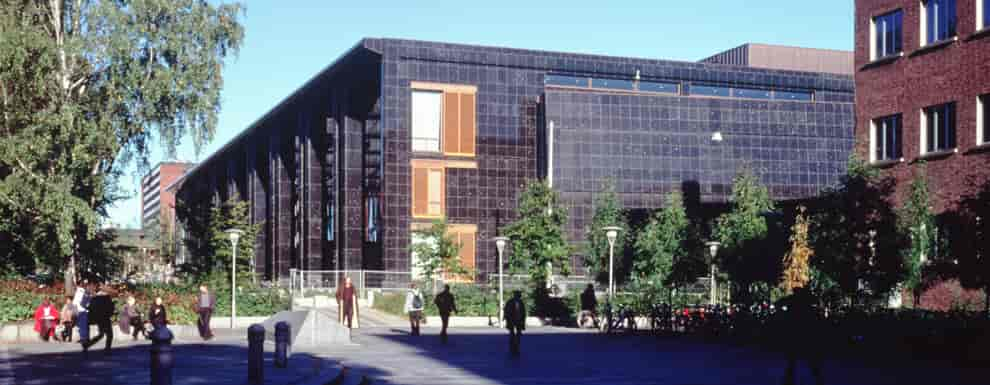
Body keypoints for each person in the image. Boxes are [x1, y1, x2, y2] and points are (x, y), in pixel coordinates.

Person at [778, 286, 824, 385]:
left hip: (797, 333)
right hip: (804, 334)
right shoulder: (806, 302)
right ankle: (817, 379)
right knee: (807, 359)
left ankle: (789, 380)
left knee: (794, 360)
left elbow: (780, 304)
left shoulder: (794, 301)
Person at [87, 286, 115, 353]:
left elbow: (91, 308)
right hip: (105, 318)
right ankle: (107, 349)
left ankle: (88, 344)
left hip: (99, 318)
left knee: (101, 334)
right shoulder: (107, 298)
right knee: (110, 334)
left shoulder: (95, 298)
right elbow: (110, 308)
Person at [503, 290, 526, 356]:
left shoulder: (521, 302)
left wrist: (523, 321)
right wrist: (506, 318)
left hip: (519, 320)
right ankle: (513, 347)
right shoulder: (510, 301)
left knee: (518, 334)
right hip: (511, 320)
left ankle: (516, 347)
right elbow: (506, 310)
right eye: (519, 295)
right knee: (512, 334)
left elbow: (523, 312)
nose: (520, 296)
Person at [73, 286, 91, 351]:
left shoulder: (84, 292)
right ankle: (84, 340)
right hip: (79, 310)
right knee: (82, 326)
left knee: (83, 326)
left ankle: (84, 341)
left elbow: (85, 303)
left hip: (82, 311)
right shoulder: (80, 290)